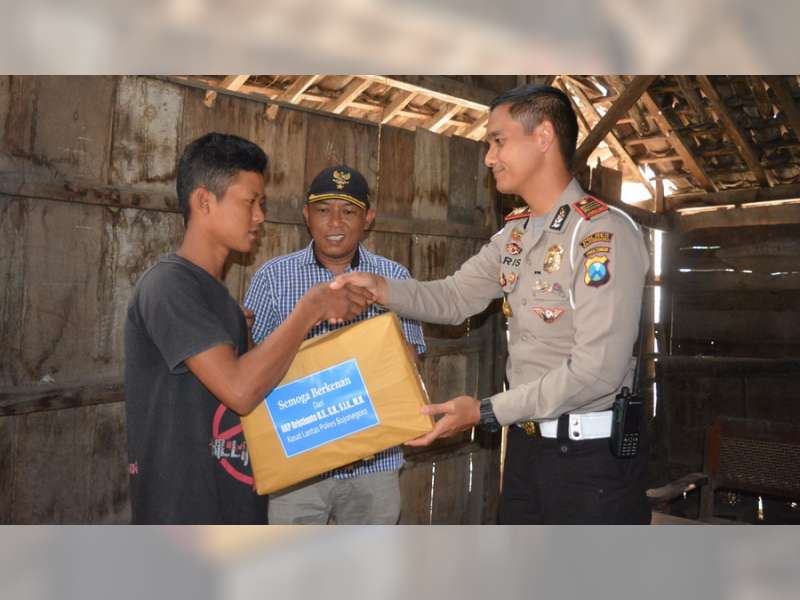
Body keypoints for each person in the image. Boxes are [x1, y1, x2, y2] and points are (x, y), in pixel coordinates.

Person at [332, 84, 652, 524]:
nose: (488, 157)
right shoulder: (514, 236)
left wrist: (485, 412)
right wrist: (378, 289)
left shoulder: (602, 235)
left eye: (498, 141)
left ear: (543, 137)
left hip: (589, 466)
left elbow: (597, 371)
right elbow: (455, 297)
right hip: (525, 453)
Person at [124, 133, 372, 524]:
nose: (260, 216)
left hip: (234, 508)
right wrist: (310, 308)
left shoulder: (219, 301)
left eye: (262, 204)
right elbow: (240, 391)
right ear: (205, 201)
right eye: (249, 202)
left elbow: (261, 395)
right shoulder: (168, 286)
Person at [244, 165, 426, 524]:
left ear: (368, 218)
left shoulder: (394, 279)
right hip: (297, 466)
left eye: (349, 212)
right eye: (324, 210)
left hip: (375, 463)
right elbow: (252, 367)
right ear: (306, 215)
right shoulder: (272, 277)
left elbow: (412, 361)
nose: (335, 223)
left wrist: (381, 327)